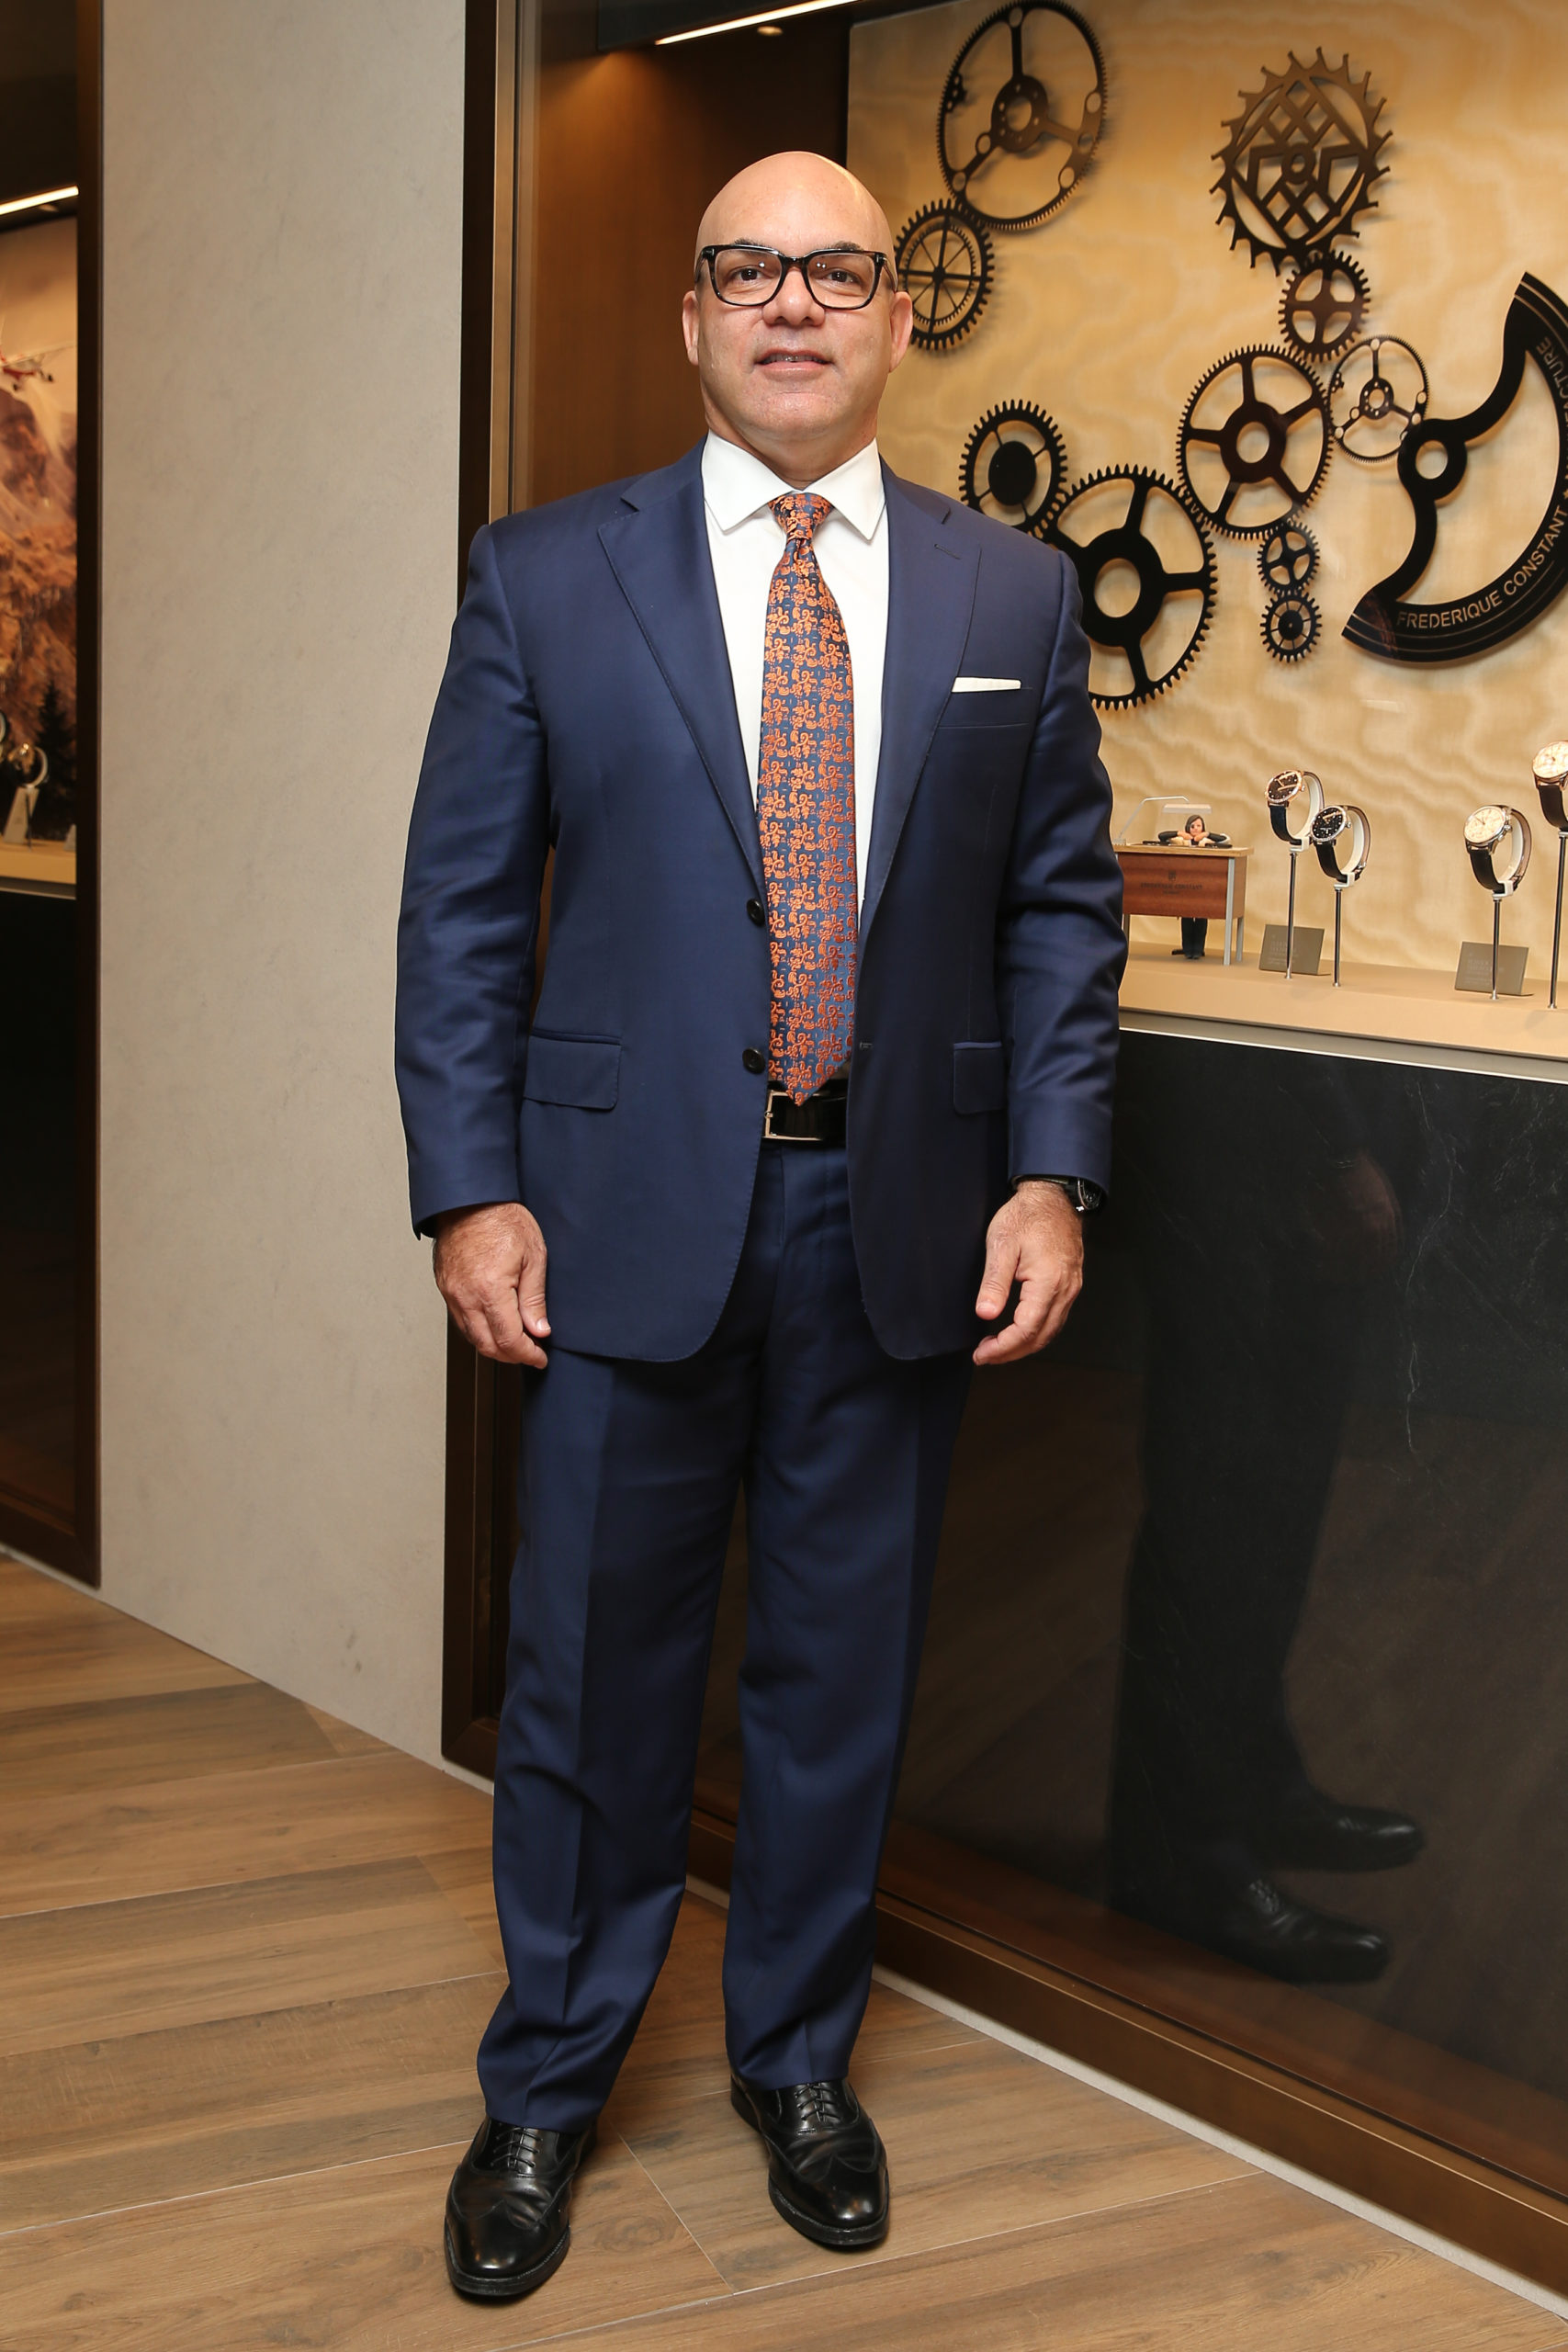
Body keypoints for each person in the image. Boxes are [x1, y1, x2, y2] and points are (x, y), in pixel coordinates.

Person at [396, 150, 1125, 2305]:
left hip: (895, 1221)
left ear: (897, 316)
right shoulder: (545, 574)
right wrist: (469, 1181)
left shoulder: (1011, 597)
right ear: (692, 319)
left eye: (834, 270)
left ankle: (795, 2059)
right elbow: (460, 911)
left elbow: (1056, 909)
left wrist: (1049, 1167)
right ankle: (548, 2080)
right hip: (615, 1219)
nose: (790, 302)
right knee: (586, 1679)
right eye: (746, 269)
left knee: (838, 1680)